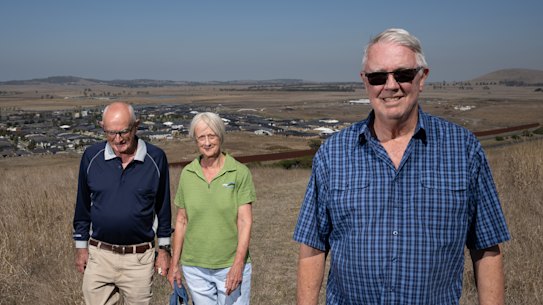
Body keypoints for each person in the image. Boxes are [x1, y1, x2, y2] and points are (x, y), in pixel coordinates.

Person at [293, 28, 510, 305]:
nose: (391, 85)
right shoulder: (333, 153)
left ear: (422, 78)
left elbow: (487, 247)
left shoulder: (463, 149)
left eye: (403, 74)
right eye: (378, 77)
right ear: (365, 82)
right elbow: (312, 246)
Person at [73, 101, 172, 305]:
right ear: (102, 127)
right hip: (99, 256)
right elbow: (82, 206)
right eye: (110, 133)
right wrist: (81, 248)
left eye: (124, 132)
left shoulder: (156, 158)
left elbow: (163, 208)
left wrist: (164, 250)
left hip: (139, 259)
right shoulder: (91, 157)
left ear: (136, 125)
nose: (117, 139)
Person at [168, 112, 256, 305]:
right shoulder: (187, 174)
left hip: (230, 264)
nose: (207, 142)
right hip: (195, 267)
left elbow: (245, 221)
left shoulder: (239, 172)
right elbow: (181, 221)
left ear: (221, 137)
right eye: (201, 137)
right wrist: (175, 264)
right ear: (195, 140)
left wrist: (238, 264)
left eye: (212, 136)